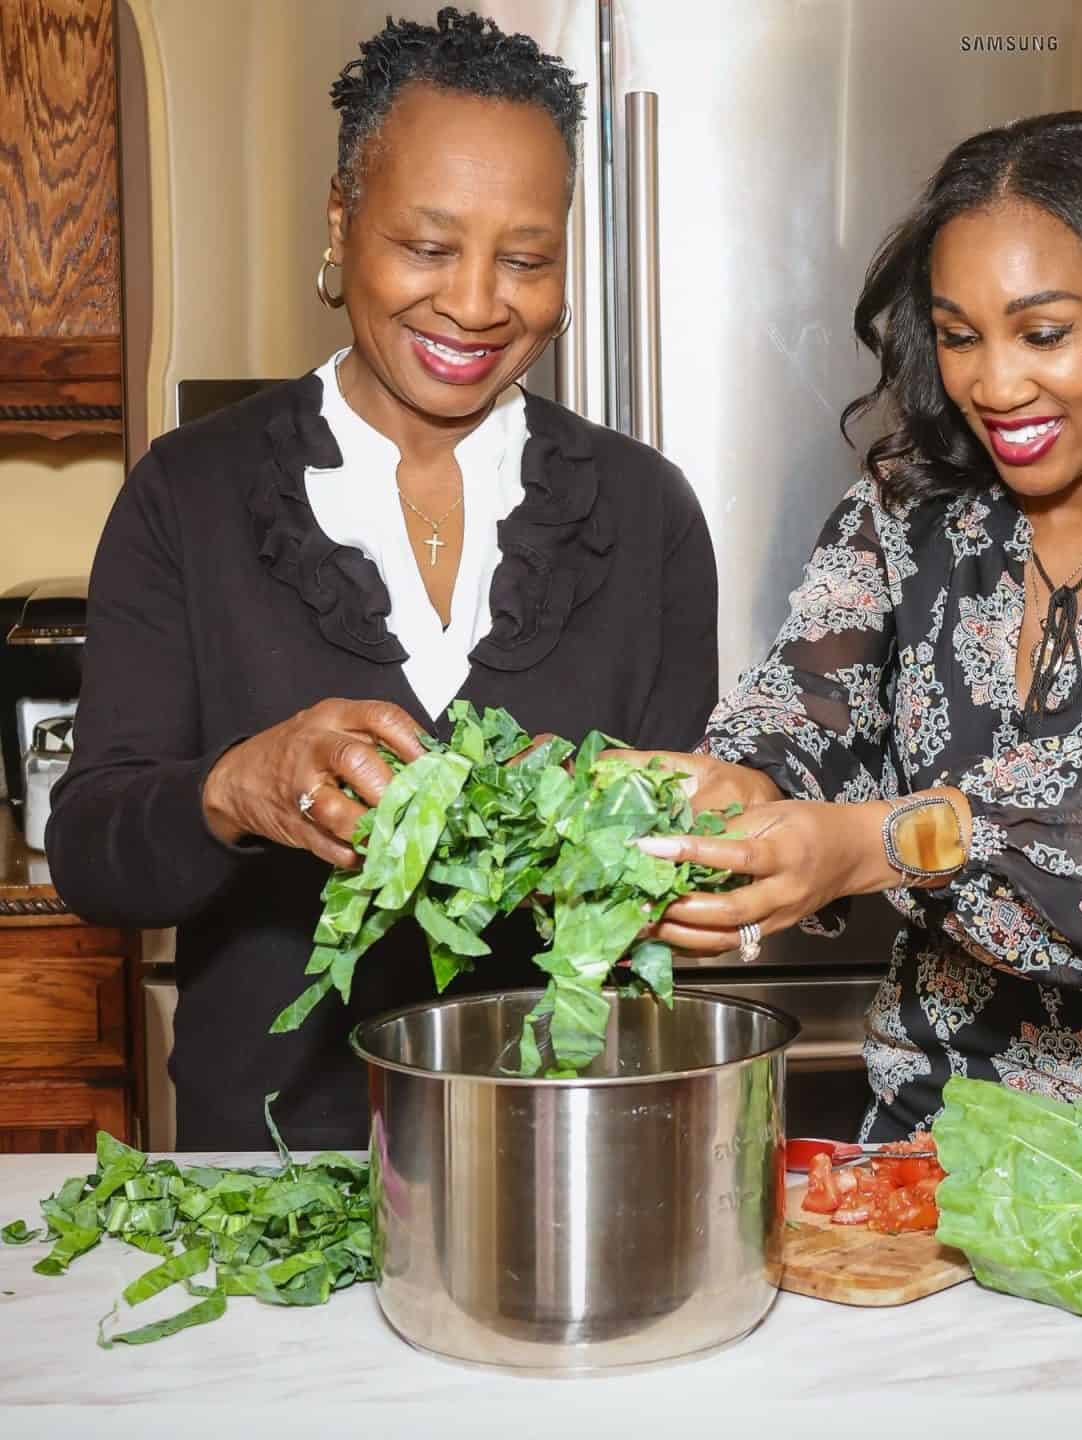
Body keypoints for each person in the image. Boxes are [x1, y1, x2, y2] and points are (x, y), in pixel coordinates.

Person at [47, 9, 717, 1150]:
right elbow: (95, 852)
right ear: (342, 220)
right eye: (427, 245)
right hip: (267, 1168)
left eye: (526, 259)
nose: (473, 303)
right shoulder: (190, 494)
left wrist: (665, 848)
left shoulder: (642, 511)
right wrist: (235, 787)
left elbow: (674, 872)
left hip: (563, 1169)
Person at [629, 112, 1082, 1141]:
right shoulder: (903, 511)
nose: (994, 385)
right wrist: (725, 790)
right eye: (960, 336)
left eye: (1043, 333)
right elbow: (801, 708)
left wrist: (865, 844)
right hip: (936, 1144)